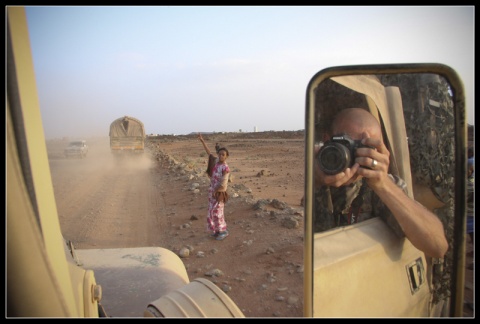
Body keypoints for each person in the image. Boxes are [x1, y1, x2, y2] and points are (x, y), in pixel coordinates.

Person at [314, 108, 448, 258]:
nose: (354, 156)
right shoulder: (309, 173)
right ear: (327, 141)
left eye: (367, 148)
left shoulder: (379, 186)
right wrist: (315, 180)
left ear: (379, 152)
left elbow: (437, 247)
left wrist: (384, 185)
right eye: (347, 144)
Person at [198, 133, 231, 240]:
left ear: (226, 157)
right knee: (212, 212)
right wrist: (202, 141)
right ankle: (217, 230)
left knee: (218, 212)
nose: (221, 156)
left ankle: (223, 231)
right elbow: (209, 154)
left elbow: (223, 184)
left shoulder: (225, 168)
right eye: (220, 154)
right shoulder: (217, 162)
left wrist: (216, 191)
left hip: (219, 194)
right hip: (212, 192)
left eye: (223, 155)